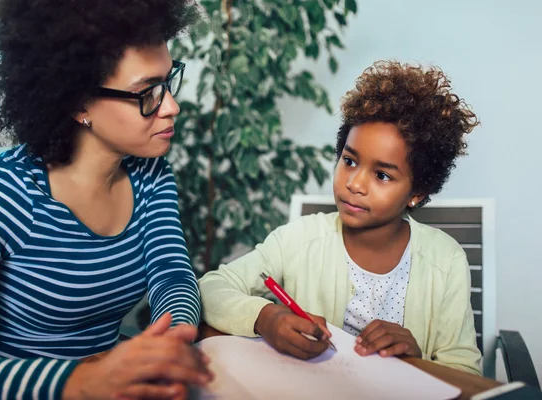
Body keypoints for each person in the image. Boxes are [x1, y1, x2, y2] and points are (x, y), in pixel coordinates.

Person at [0, 0, 213, 399]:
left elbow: (171, 274)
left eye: (168, 82)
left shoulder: (150, 177)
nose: (171, 107)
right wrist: (78, 382)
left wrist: (173, 338)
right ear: (78, 103)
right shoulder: (2, 192)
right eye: (147, 93)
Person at [199, 61, 482, 375]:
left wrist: (415, 361)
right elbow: (211, 288)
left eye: (382, 175)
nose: (354, 183)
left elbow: (466, 374)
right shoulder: (298, 239)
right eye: (349, 160)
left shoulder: (446, 260)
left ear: (418, 191)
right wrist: (265, 317)